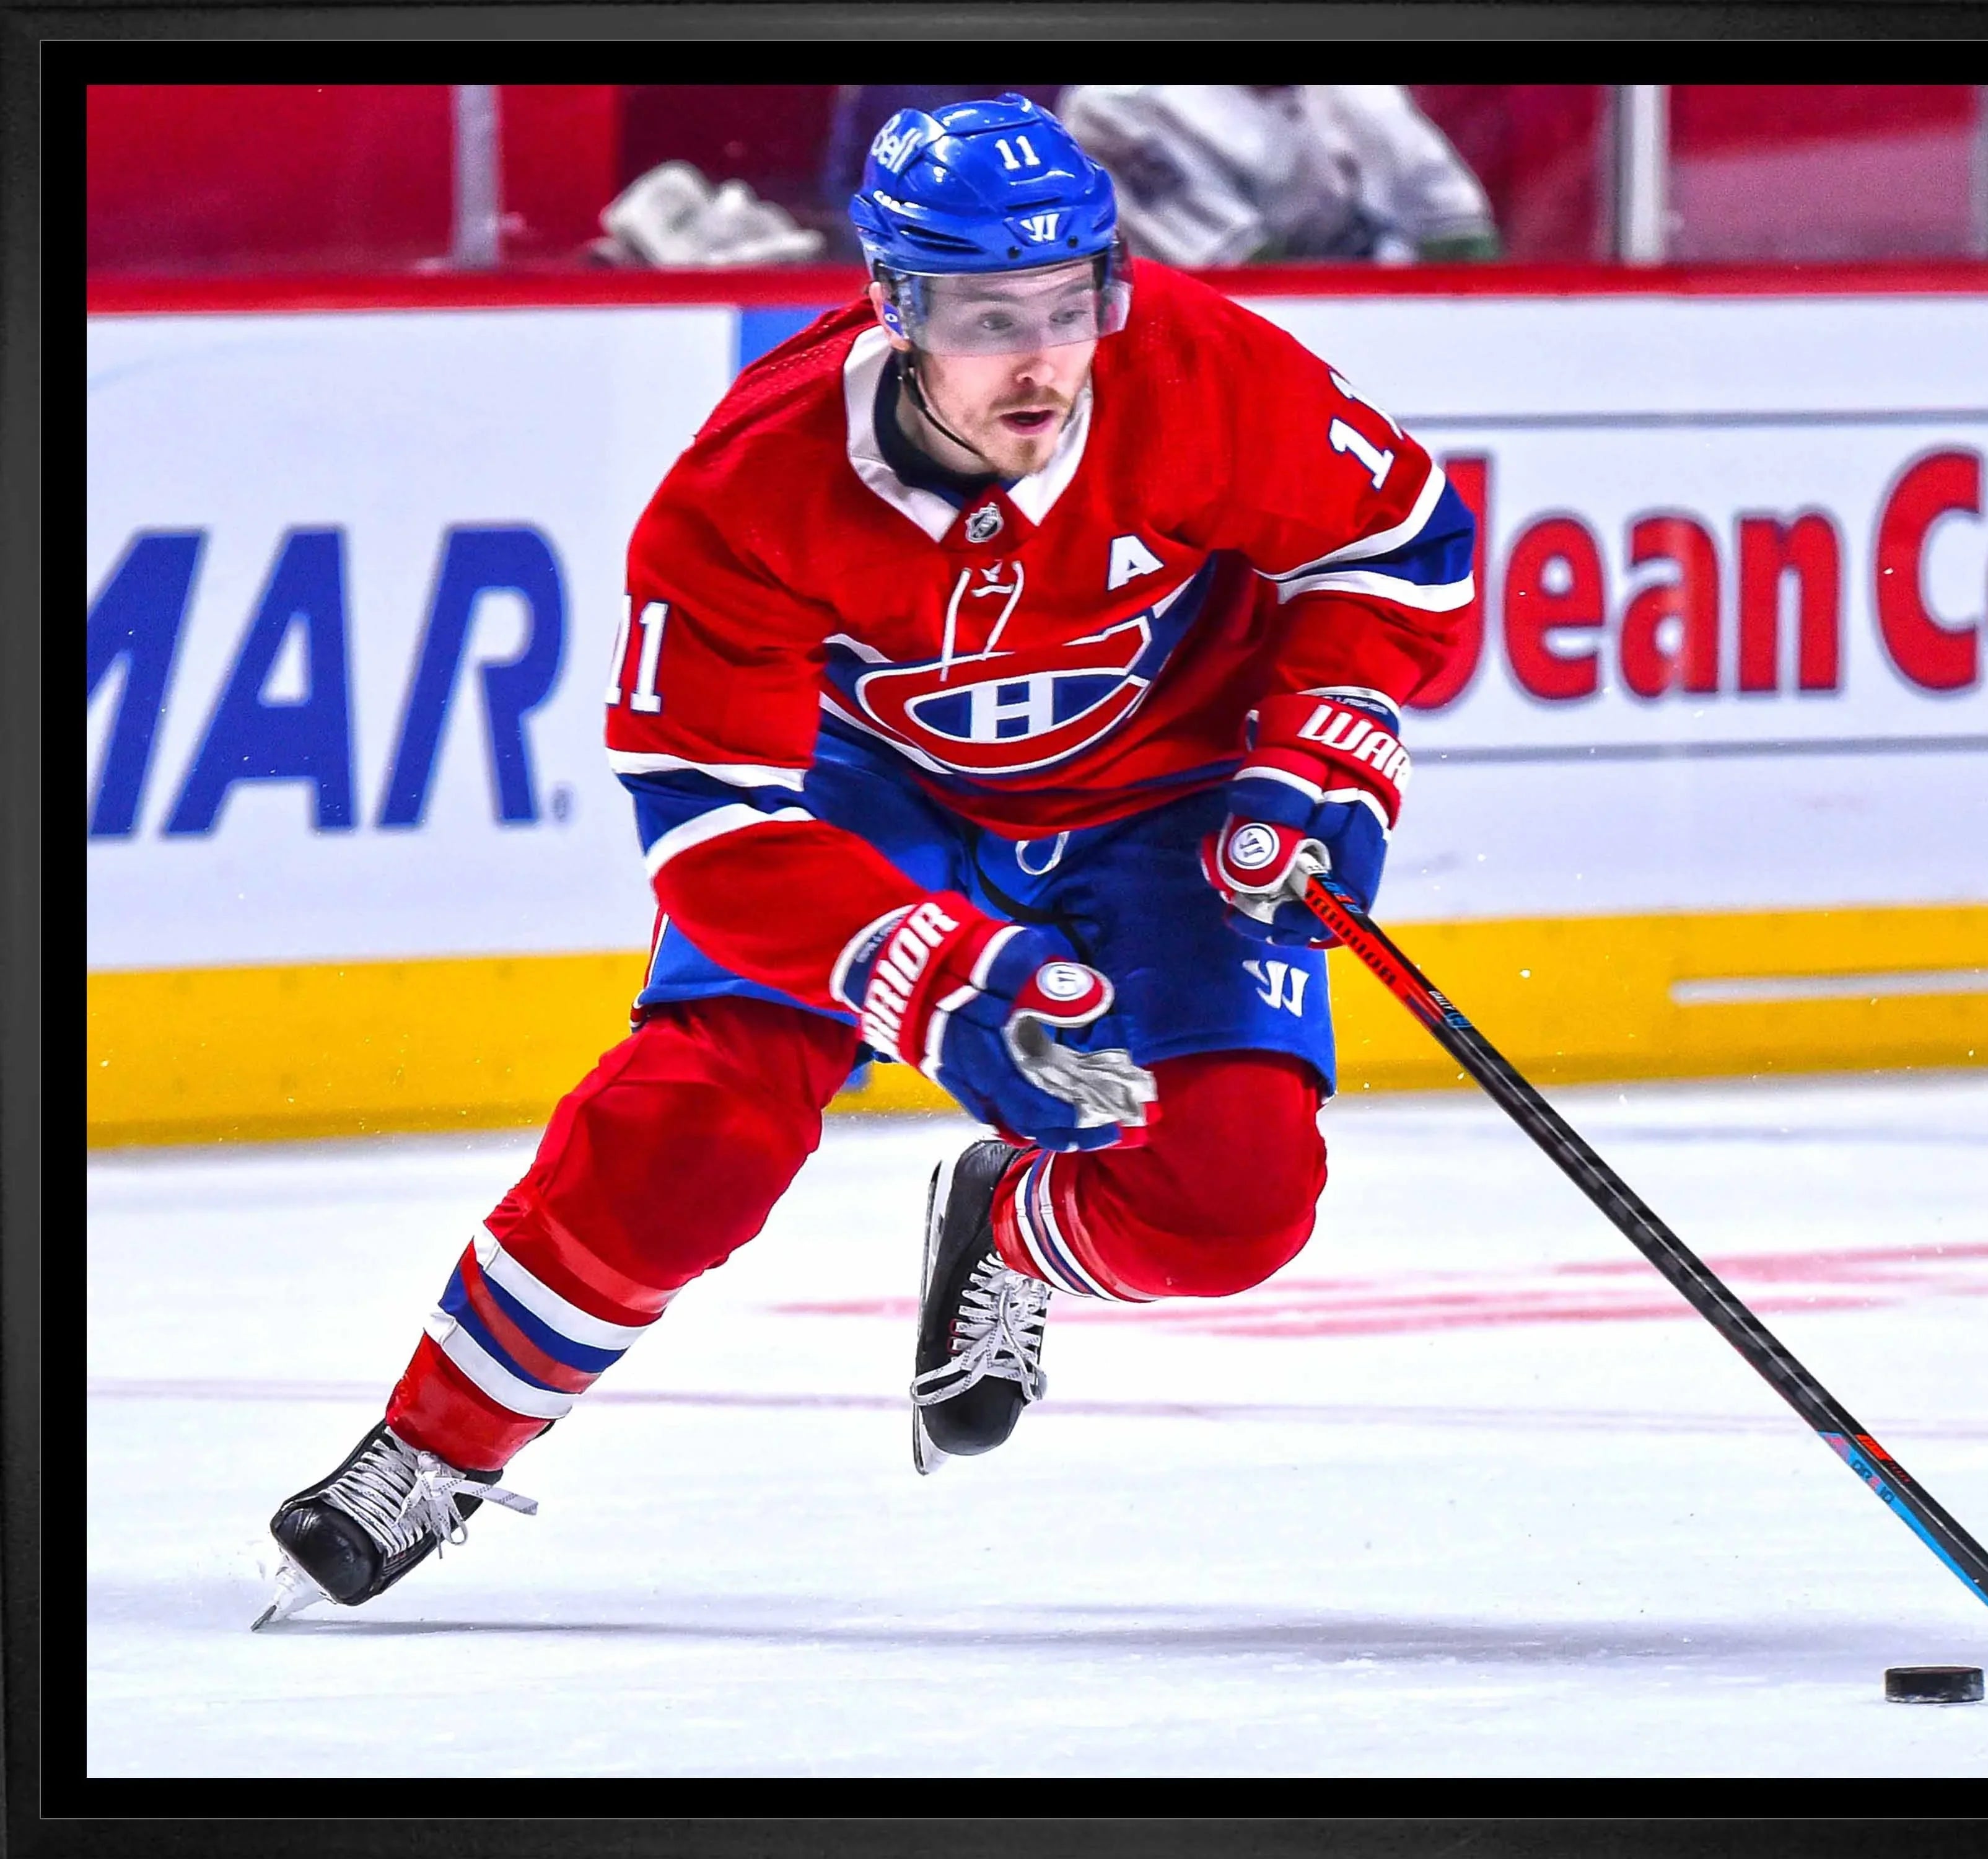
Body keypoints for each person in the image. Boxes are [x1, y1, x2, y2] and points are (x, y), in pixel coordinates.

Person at [256, 93, 1475, 1627]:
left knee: (1234, 1202)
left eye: (1070, 302)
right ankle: (430, 1447)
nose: (1042, 359)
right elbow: (711, 826)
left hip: (1168, 786)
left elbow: (1399, 547)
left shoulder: (1193, 365)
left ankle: (1010, 1220)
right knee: (697, 1119)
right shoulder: (749, 488)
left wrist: (1323, 736)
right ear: (892, 306)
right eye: (986, 316)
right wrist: (928, 974)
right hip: (871, 797)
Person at [1058, 84, 1500, 267]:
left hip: (1383, 341)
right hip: (1207, 364)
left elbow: (1464, 240)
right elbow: (1250, 278)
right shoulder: (1116, 104)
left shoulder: (1362, 94)